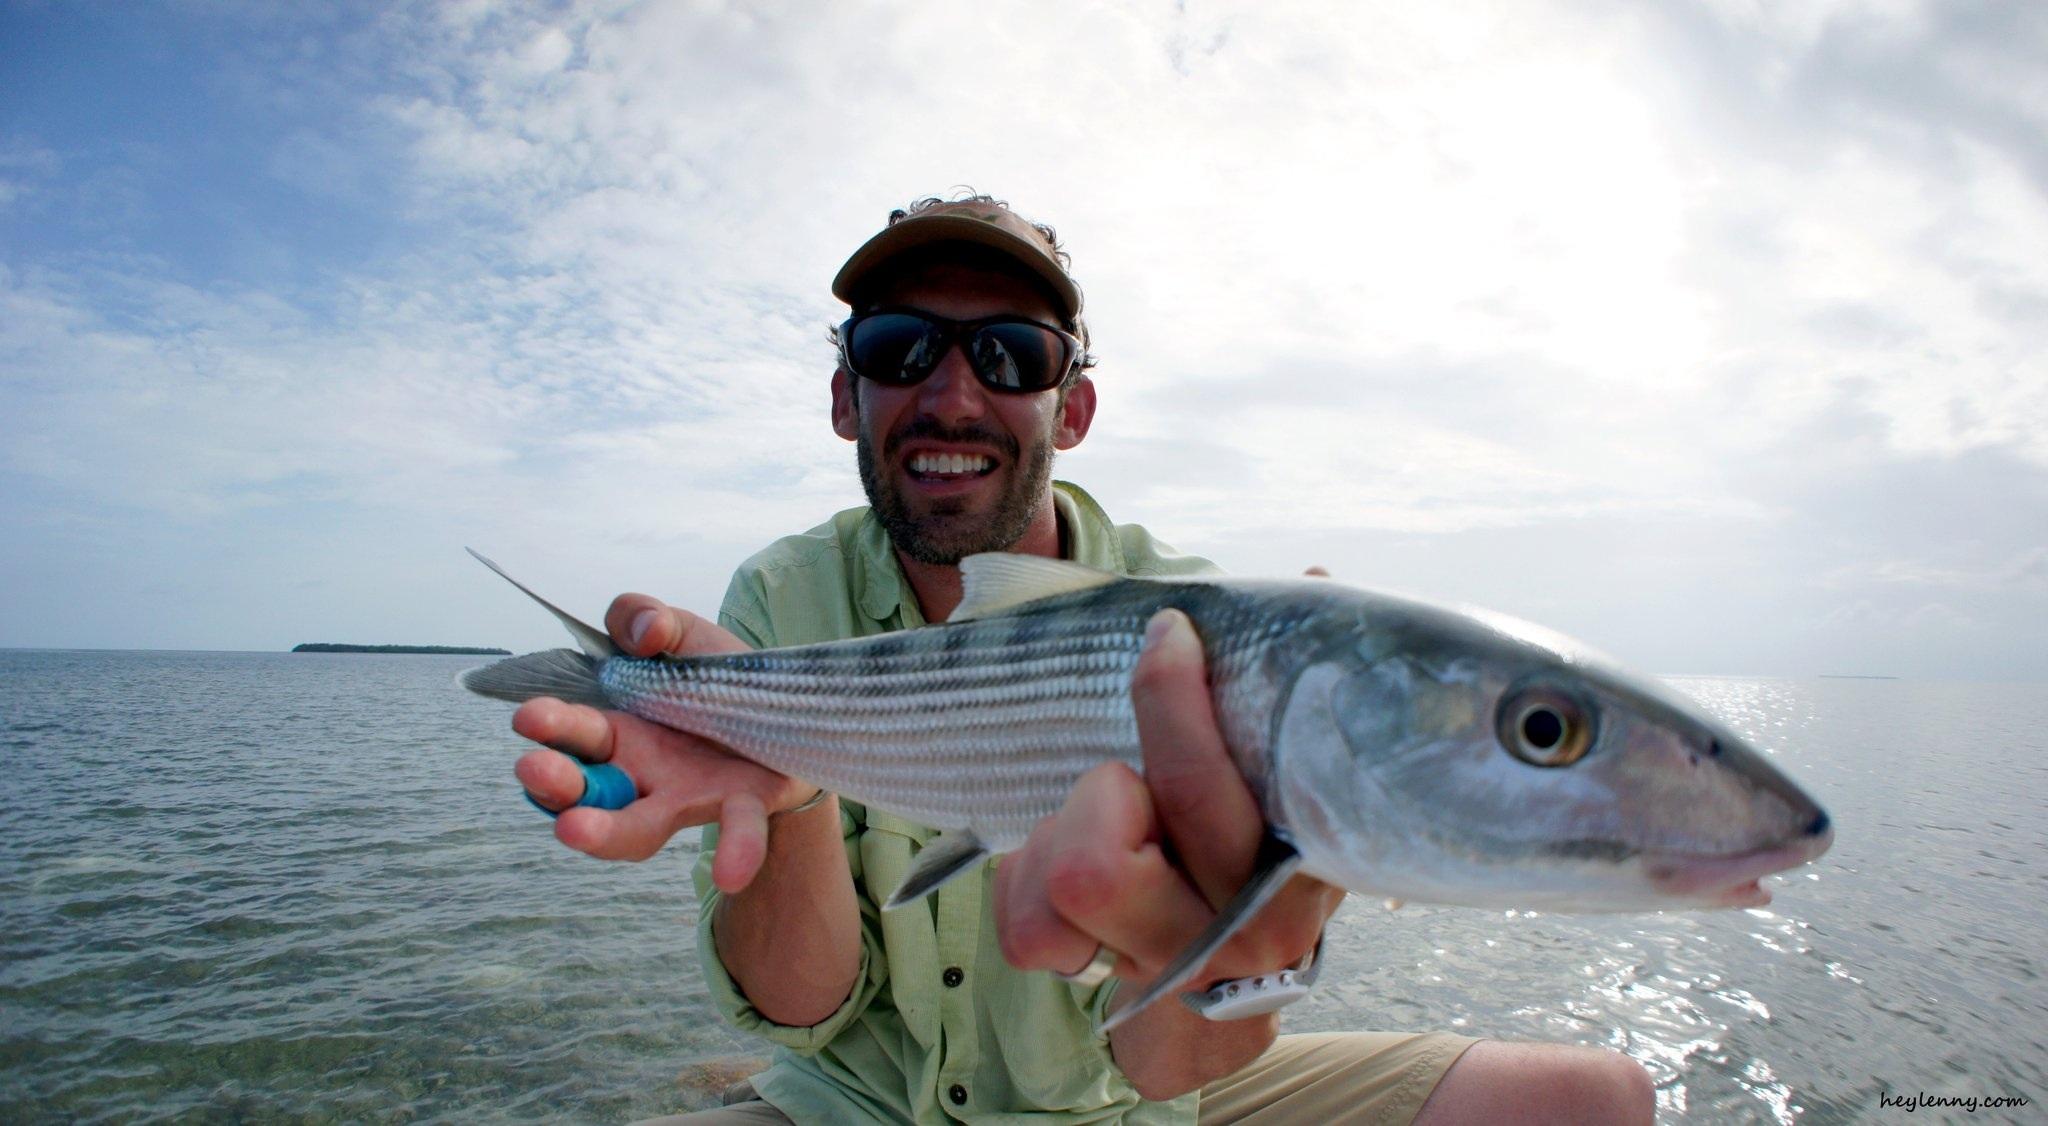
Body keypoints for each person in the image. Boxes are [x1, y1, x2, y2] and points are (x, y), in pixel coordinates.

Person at [508, 194, 1655, 1123]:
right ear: (845, 397)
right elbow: (801, 1007)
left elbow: (1166, 1070)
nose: (952, 394)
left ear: (1073, 409)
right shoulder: (779, 597)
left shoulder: (1197, 634)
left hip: (1122, 1110)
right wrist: (794, 790)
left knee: (1590, 1100)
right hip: (854, 1104)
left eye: (1011, 354)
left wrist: (1249, 937)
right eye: (899, 347)